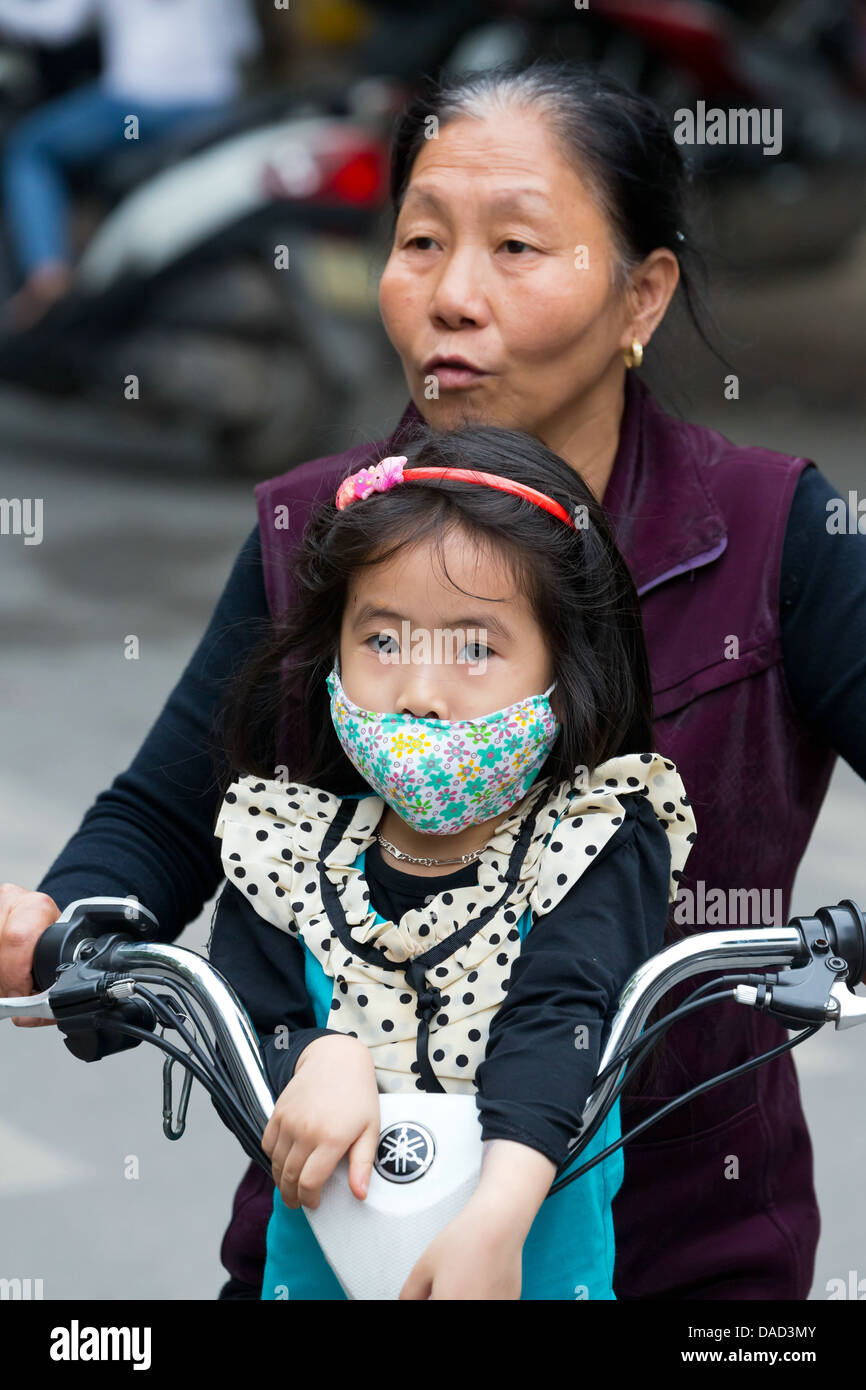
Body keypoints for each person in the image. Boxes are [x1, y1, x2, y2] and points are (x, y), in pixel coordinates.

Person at [2, 60, 865, 1301]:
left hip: (689, 1252)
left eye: (516, 246)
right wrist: (70, 919)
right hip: (333, 1236)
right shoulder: (321, 529)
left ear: (643, 293)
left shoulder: (772, 528)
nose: (451, 296)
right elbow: (164, 815)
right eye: (420, 241)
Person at [205, 422, 696, 1300]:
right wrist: (317, 1057)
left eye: (475, 648)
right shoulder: (284, 850)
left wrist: (494, 1223)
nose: (422, 694)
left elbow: (561, 1019)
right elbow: (244, 1018)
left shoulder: (588, 842)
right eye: (384, 641)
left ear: (565, 666)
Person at [0, 0, 260, 326]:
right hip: (215, 104)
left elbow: (56, 26)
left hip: (137, 105)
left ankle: (48, 278)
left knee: (30, 150)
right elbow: (244, 42)